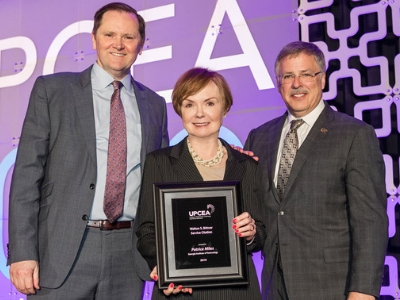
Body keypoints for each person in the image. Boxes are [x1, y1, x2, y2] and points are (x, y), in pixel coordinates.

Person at [7, 2, 168, 299]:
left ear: (141, 45)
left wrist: (226, 155)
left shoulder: (155, 105)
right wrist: (22, 252)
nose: (119, 44)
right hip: (62, 250)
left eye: (129, 37)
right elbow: (26, 177)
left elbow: (164, 179)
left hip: (128, 255)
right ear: (94, 39)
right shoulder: (53, 91)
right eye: (110, 35)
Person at [244, 40, 388, 299]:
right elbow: (262, 218)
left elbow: (370, 222)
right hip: (274, 287)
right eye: (288, 76)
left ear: (322, 80)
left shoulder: (354, 135)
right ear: (279, 83)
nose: (296, 84)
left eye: (306, 75)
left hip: (332, 287)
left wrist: (364, 291)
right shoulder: (259, 137)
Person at [136, 67, 266, 299]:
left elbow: (262, 232)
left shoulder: (247, 165)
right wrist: (165, 268)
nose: (199, 114)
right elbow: (146, 230)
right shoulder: (158, 162)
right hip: (180, 291)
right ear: (180, 110)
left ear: (225, 108)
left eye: (209, 103)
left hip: (235, 292)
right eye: (189, 104)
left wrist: (251, 233)